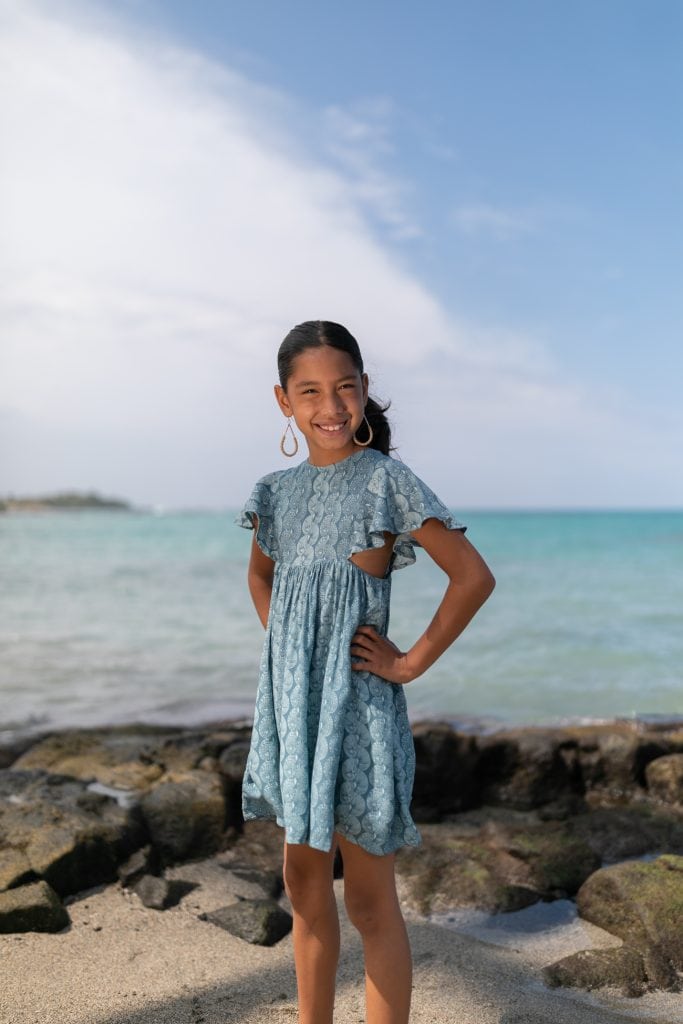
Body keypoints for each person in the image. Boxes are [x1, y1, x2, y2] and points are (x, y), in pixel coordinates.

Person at [236, 320, 495, 1024]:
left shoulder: (386, 481)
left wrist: (407, 662)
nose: (330, 405)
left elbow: (471, 578)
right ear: (283, 400)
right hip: (295, 712)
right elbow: (261, 578)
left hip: (359, 713)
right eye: (310, 391)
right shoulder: (274, 493)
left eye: (344, 387)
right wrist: (289, 654)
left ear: (364, 390)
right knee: (303, 886)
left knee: (370, 900)